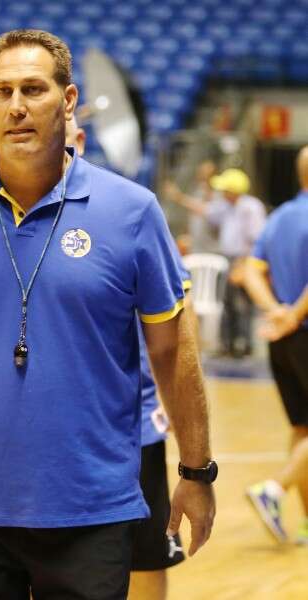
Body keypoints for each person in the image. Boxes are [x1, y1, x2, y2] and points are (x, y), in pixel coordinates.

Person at [0, 30, 216, 600]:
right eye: (2, 91)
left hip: (92, 509)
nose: (16, 106)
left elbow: (172, 349)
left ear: (69, 99)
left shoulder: (133, 213)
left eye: (33, 89)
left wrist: (197, 471)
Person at [0, 116, 190, 600]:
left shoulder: (126, 213)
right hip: (0, 466)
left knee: (149, 557)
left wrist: (194, 454)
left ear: (78, 139)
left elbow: (176, 338)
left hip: (127, 431)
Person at [243, 146, 308, 544]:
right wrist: (294, 314)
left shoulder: (280, 216)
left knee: (302, 428)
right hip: (302, 329)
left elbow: (250, 272)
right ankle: (274, 489)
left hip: (283, 340)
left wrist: (276, 311)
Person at [166, 168, 266, 357]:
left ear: (234, 190)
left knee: (242, 304)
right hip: (228, 259)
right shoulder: (226, 207)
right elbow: (204, 209)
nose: (222, 193)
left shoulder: (251, 207)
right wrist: (180, 198)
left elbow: (257, 239)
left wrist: (244, 264)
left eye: (226, 189)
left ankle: (244, 345)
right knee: (227, 302)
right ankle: (227, 345)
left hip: (244, 260)